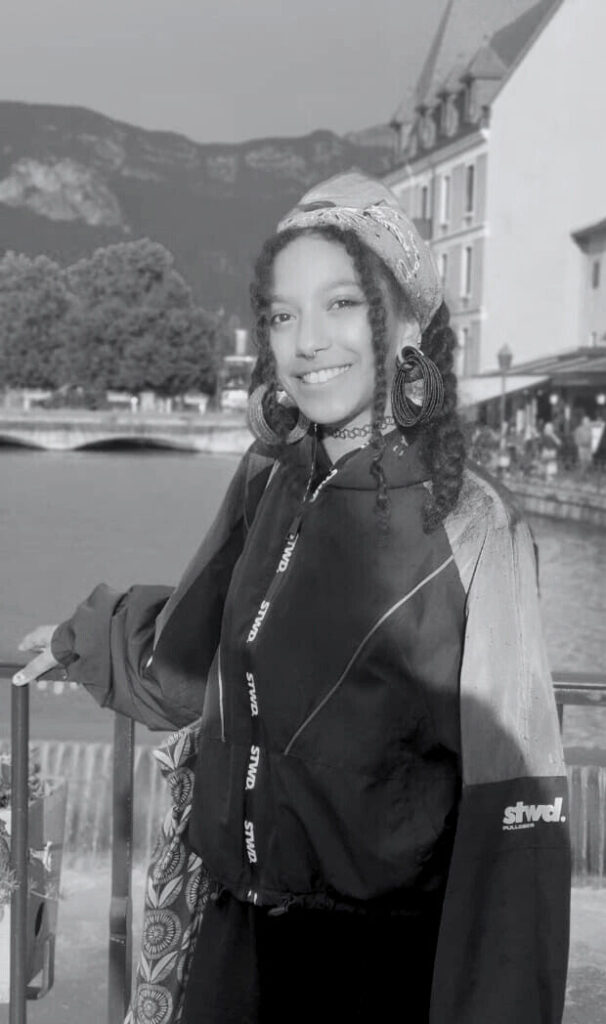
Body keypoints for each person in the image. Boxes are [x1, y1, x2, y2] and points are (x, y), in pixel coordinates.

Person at [15, 173, 570, 1023]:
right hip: (235, 952)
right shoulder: (268, 477)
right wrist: (84, 639)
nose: (309, 340)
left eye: (345, 304)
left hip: (376, 971)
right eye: (282, 313)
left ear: (411, 326)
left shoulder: (471, 525)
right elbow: (195, 654)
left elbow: (514, 825)